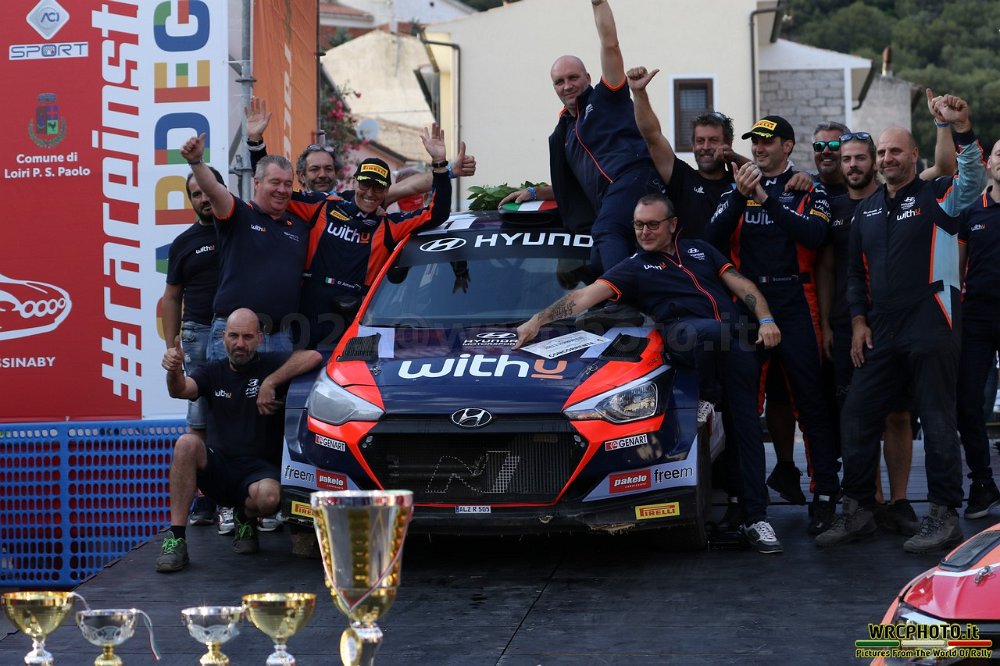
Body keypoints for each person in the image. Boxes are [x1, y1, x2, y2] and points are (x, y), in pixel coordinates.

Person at [515, 193, 786, 553]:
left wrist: (765, 319)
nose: (644, 232)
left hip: (733, 349)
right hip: (685, 337)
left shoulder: (700, 250)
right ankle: (708, 395)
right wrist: (538, 320)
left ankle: (756, 518)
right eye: (638, 225)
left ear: (672, 225)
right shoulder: (634, 266)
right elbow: (584, 296)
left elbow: (743, 286)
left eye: (652, 225)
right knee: (712, 331)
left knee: (748, 430)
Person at [816, 93, 986, 552]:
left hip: (933, 324)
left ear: (914, 155)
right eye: (883, 152)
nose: (888, 158)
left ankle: (944, 515)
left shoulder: (938, 195)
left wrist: (961, 128)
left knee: (937, 420)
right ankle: (858, 511)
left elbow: (973, 178)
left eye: (896, 151)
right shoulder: (867, 210)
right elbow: (855, 275)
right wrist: (857, 322)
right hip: (881, 330)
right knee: (857, 415)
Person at [706, 115, 841, 535]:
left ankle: (825, 496)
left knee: (812, 402)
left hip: (796, 299)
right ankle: (744, 501)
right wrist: (739, 196)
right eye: (755, 142)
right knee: (743, 409)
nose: (759, 148)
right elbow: (710, 239)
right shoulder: (737, 188)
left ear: (787, 146)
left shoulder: (808, 187)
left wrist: (766, 199)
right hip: (748, 303)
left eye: (768, 142)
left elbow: (814, 235)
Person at [500, 0, 663, 272]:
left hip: (636, 180)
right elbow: (576, 188)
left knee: (606, 232)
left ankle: (620, 297)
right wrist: (534, 192)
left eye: (573, 77)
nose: (567, 86)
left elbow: (610, 44)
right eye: (559, 81)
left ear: (587, 77)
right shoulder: (563, 133)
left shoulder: (606, 97)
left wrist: (598, 4)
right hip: (611, 202)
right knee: (597, 259)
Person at [156, 309, 322, 572]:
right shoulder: (212, 371)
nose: (240, 344)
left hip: (259, 472)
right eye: (233, 336)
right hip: (220, 469)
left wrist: (270, 382)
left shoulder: (272, 363)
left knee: (270, 498)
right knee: (186, 443)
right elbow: (180, 390)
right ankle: (176, 539)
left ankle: (244, 516)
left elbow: (314, 356)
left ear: (259, 338)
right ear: (223, 337)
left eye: (247, 337)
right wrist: (173, 371)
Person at [815, 132, 919, 536]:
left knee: (899, 414)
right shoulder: (835, 208)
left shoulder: (895, 200)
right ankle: (870, 501)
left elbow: (940, 172)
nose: (853, 165)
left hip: (897, 322)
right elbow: (826, 269)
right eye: (847, 159)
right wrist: (826, 323)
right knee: (857, 416)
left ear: (874, 162)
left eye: (861, 158)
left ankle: (900, 501)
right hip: (847, 325)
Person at [296, 143, 452, 349]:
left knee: (352, 370)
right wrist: (257, 144)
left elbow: (437, 213)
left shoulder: (389, 225)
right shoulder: (323, 205)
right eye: (365, 185)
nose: (370, 193)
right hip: (306, 317)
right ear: (354, 183)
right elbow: (275, 193)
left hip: (355, 323)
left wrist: (440, 164)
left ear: (386, 191)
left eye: (378, 187)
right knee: (302, 369)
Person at [180, 133, 314, 359]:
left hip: (280, 336)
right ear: (257, 182)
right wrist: (196, 162)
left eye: (288, 184)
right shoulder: (240, 213)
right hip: (235, 334)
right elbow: (213, 190)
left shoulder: (300, 227)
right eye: (275, 182)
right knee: (226, 385)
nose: (282, 190)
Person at [243, 97, 476, 201]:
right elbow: (266, 176)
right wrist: (255, 141)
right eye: (314, 169)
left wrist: (448, 170)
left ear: (337, 174)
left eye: (328, 169)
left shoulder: (356, 199)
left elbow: (410, 186)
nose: (322, 174)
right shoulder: (293, 202)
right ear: (301, 176)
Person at [162, 166, 226, 526]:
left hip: (236, 335)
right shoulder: (183, 243)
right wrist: (172, 345)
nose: (203, 198)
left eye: (207, 190)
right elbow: (172, 297)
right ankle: (206, 498)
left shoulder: (240, 229)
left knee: (235, 413)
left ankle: (234, 496)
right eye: (196, 194)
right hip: (197, 334)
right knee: (199, 416)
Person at [625, 66, 748, 240]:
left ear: (728, 144)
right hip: (686, 258)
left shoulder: (739, 182)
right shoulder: (682, 177)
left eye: (713, 140)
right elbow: (652, 136)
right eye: (700, 141)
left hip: (731, 259)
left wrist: (734, 157)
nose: (705, 146)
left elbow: (763, 176)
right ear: (693, 145)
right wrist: (638, 93)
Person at [955, 137, 1000, 520]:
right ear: (989, 163)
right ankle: (982, 484)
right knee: (968, 402)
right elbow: (956, 271)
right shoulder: (972, 213)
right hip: (977, 319)